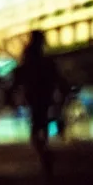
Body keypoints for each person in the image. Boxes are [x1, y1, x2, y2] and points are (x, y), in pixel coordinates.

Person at [12, 30, 68, 176]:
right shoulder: (46, 60)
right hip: (45, 97)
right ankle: (45, 151)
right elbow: (57, 78)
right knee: (41, 124)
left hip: (34, 97)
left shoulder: (29, 58)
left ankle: (44, 152)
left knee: (36, 127)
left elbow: (20, 77)